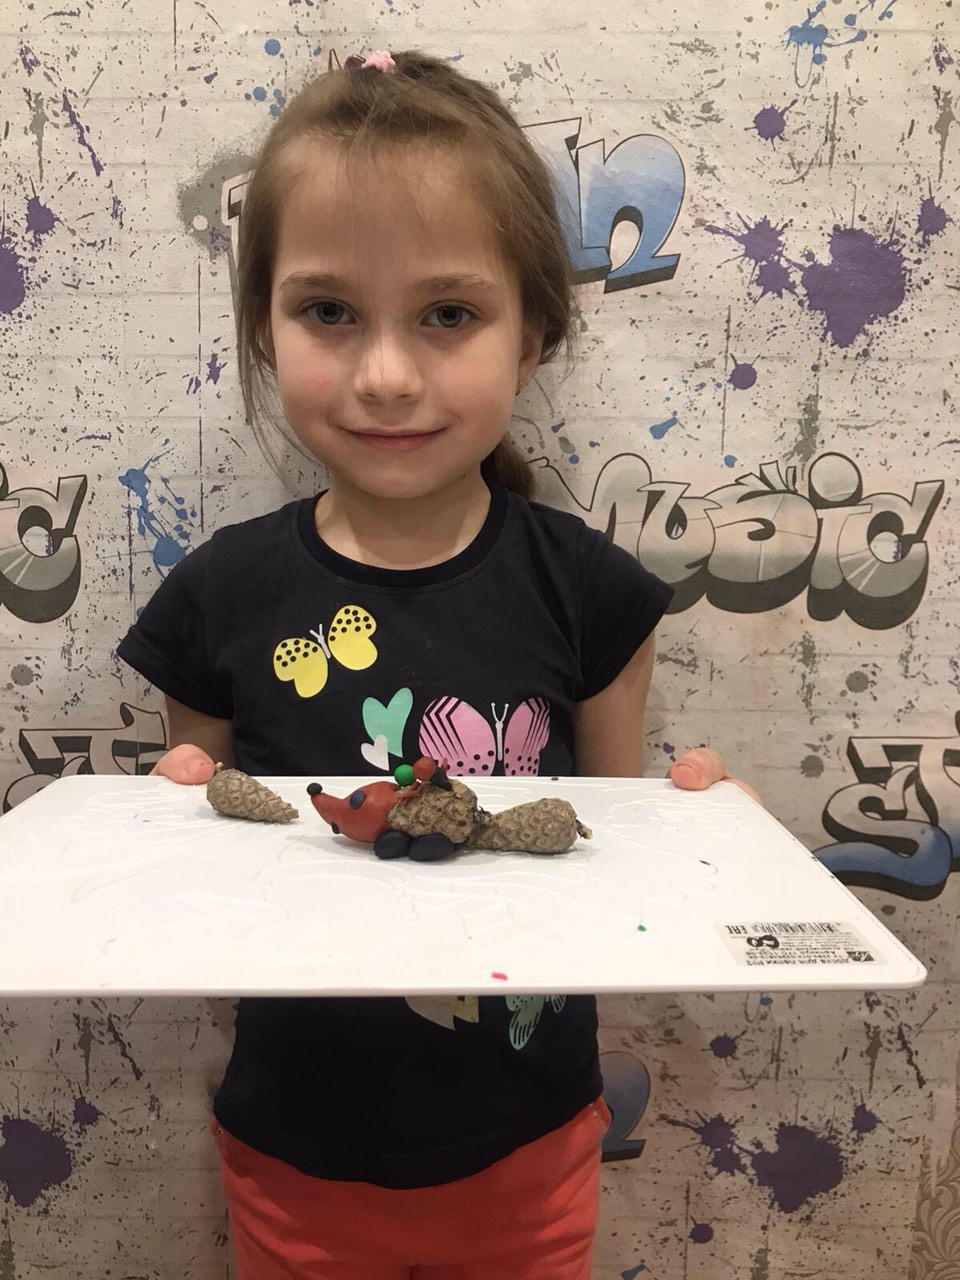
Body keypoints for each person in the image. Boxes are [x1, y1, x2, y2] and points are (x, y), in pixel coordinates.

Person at [118, 48, 757, 1280]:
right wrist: (165, 826)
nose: (387, 373)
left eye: (448, 314)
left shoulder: (591, 592)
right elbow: (210, 868)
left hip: (528, 1148)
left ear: (531, 334)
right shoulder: (216, 596)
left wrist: (700, 844)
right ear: (265, 330)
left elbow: (606, 852)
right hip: (296, 1153)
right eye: (328, 310)